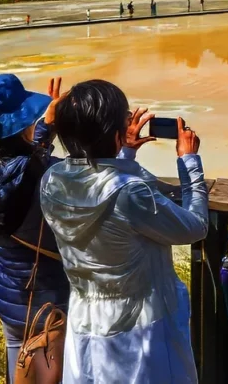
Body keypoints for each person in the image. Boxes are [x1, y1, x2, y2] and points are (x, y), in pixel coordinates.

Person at [40, 80, 208, 383]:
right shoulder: (130, 193)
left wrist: (122, 154)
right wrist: (189, 162)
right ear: (117, 134)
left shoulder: (52, 181)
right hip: (140, 331)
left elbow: (97, 181)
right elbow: (195, 227)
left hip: (85, 322)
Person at [0, 75, 70, 383]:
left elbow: (20, 170)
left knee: (20, 369)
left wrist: (44, 132)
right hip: (53, 302)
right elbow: (38, 170)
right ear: (19, 125)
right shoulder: (49, 175)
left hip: (12, 304)